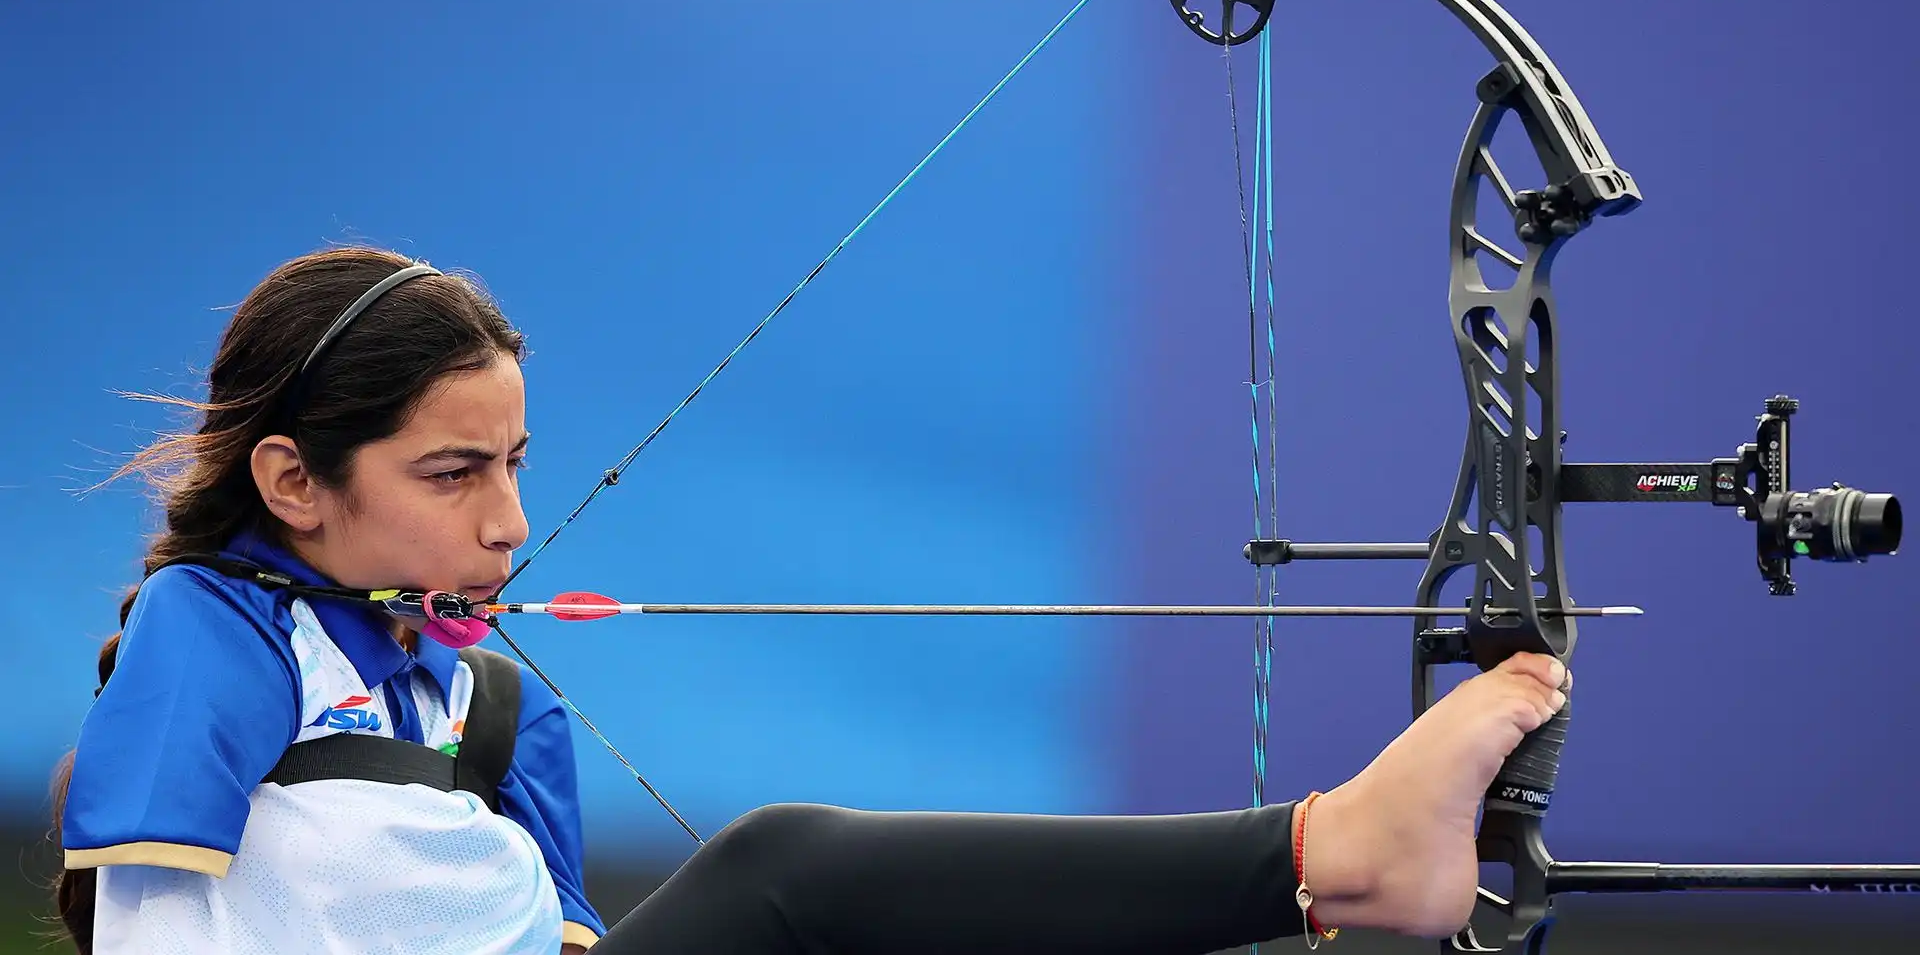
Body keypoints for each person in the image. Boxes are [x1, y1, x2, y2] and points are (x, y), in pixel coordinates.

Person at [50, 246, 1572, 955]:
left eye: (515, 464)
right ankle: (1342, 854)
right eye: (453, 474)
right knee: (789, 871)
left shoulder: (488, 703)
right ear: (296, 483)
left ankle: (1337, 873)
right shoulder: (214, 635)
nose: (512, 521)